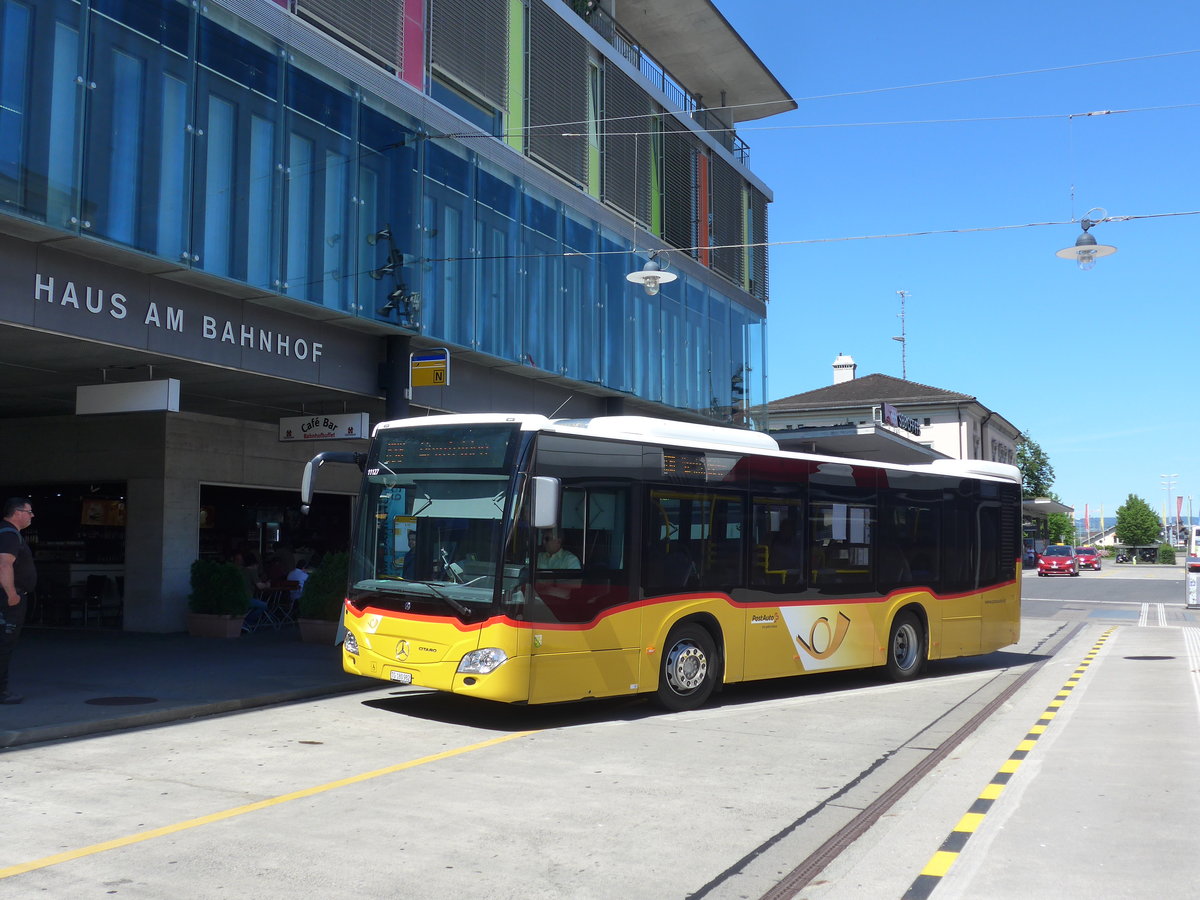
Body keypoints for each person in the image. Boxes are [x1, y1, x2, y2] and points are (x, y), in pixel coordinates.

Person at [0, 498, 36, 704]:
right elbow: (4, 565)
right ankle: (1, 691)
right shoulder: (9, 534)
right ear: (17, 513)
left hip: (7, 596)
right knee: (4, 643)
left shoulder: (7, 533)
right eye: (29, 512)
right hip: (7, 599)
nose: (32, 516)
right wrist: (12, 593)